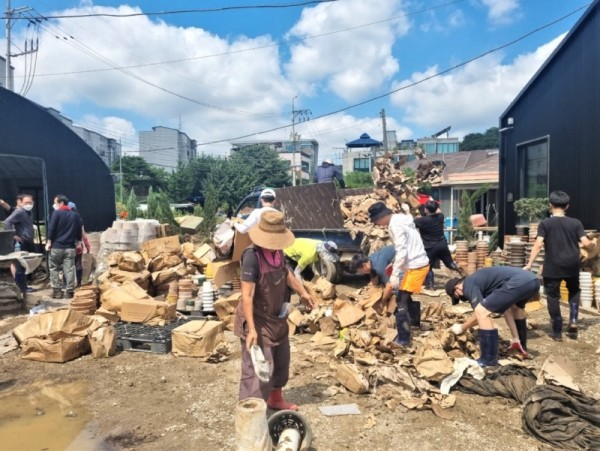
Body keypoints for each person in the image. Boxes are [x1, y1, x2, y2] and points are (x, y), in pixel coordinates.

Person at [234, 210, 315, 410]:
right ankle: (251, 412)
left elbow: (286, 273)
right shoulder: (252, 256)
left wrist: (302, 292)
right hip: (257, 319)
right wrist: (251, 329)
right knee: (258, 369)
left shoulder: (278, 252)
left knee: (281, 361)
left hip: (276, 318)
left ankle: (275, 399)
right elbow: (248, 295)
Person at [524, 190, 595, 341]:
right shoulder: (576, 223)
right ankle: (574, 321)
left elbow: (538, 244)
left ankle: (557, 331)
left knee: (552, 296)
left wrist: (529, 264)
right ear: (567, 206)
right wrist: (593, 244)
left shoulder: (545, 224)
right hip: (572, 265)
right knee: (574, 292)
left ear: (550, 205)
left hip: (553, 265)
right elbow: (586, 244)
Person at [446, 266, 540, 366]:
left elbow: (480, 314)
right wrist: (515, 338)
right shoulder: (482, 282)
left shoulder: (468, 284)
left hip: (518, 282)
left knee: (481, 311)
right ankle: (521, 348)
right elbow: (507, 311)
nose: (461, 298)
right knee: (515, 308)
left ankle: (488, 359)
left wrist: (462, 327)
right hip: (532, 280)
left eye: (457, 297)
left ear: (457, 288)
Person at [368, 202, 430, 346]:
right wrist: (395, 262)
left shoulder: (395, 225)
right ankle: (413, 323)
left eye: (377, 221)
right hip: (415, 262)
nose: (378, 224)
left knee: (401, 299)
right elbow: (405, 246)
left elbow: (402, 249)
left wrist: (395, 273)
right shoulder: (402, 218)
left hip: (416, 265)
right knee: (405, 295)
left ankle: (404, 338)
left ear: (382, 217)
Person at [415, 200, 462, 290]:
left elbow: (411, 224)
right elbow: (438, 211)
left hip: (430, 247)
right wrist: (434, 206)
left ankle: (431, 286)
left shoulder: (422, 221)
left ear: (426, 210)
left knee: (428, 267)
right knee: (450, 264)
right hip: (442, 244)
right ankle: (462, 273)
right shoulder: (440, 217)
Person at [46, 195, 83, 299]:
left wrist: (49, 242)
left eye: (55, 202)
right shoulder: (75, 215)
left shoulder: (56, 213)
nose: (54, 205)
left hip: (57, 247)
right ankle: (69, 292)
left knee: (54, 268)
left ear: (61, 203)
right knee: (70, 269)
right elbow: (78, 230)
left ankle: (57, 292)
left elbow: (51, 229)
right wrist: (79, 243)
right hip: (70, 248)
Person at [2, 194, 35, 293]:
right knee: (19, 265)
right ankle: (21, 288)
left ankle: (23, 286)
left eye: (30, 202)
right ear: (20, 203)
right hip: (21, 242)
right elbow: (7, 222)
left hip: (28, 240)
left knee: (24, 265)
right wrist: (13, 235)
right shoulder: (20, 211)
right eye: (26, 202)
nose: (28, 204)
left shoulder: (29, 212)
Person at [68, 202, 91, 287]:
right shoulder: (78, 218)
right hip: (77, 244)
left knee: (67, 265)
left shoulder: (63, 217)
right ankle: (78, 284)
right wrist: (87, 245)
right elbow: (83, 233)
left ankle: (66, 284)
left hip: (66, 245)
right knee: (78, 263)